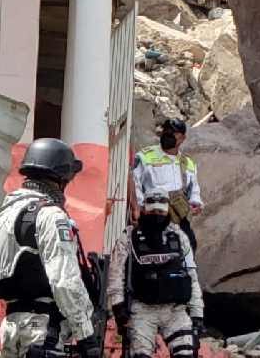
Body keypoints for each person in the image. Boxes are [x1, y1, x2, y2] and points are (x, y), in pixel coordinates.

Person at [0, 138, 101, 358]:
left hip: (12, 325)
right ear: (60, 178)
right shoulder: (51, 215)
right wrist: (86, 336)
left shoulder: (7, 212)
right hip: (42, 330)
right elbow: (64, 280)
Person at [108, 189, 204, 358]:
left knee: (187, 353)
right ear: (144, 209)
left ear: (167, 210)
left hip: (176, 311)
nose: (156, 214)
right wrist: (118, 308)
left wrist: (197, 314)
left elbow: (192, 277)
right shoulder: (129, 236)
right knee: (140, 354)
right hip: (142, 310)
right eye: (152, 211)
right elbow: (116, 275)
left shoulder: (179, 236)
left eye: (160, 211)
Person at [132, 119, 203, 249]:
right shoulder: (145, 156)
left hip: (178, 218)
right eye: (166, 131)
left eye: (173, 133)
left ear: (182, 138)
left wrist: (195, 203)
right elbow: (134, 182)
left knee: (190, 245)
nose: (167, 134)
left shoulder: (187, 163)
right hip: (153, 216)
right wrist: (139, 206)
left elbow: (193, 188)